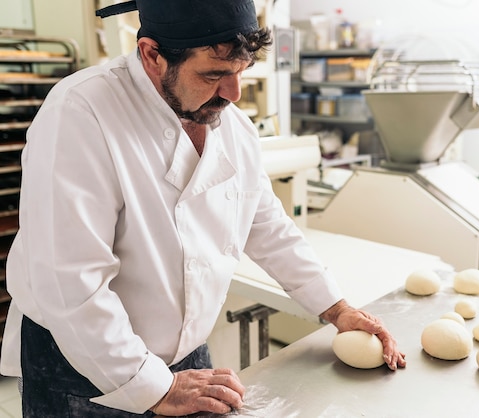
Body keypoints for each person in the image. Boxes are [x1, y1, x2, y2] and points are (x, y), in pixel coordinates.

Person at [0, 0, 406, 416]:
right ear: (152, 55)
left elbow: (265, 224)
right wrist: (152, 387)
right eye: (214, 74)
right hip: (85, 370)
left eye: (240, 72)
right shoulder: (82, 112)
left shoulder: (231, 126)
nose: (234, 94)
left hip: (187, 359)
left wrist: (338, 308)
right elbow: (69, 282)